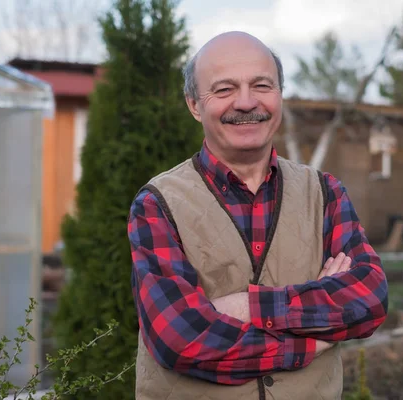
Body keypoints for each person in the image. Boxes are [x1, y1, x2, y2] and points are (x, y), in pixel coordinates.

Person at [127, 31, 388, 400]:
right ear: (194, 105)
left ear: (279, 94)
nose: (247, 102)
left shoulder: (325, 192)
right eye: (224, 89)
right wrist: (311, 343)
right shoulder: (157, 203)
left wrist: (248, 307)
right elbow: (180, 338)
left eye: (262, 85)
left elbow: (369, 300)